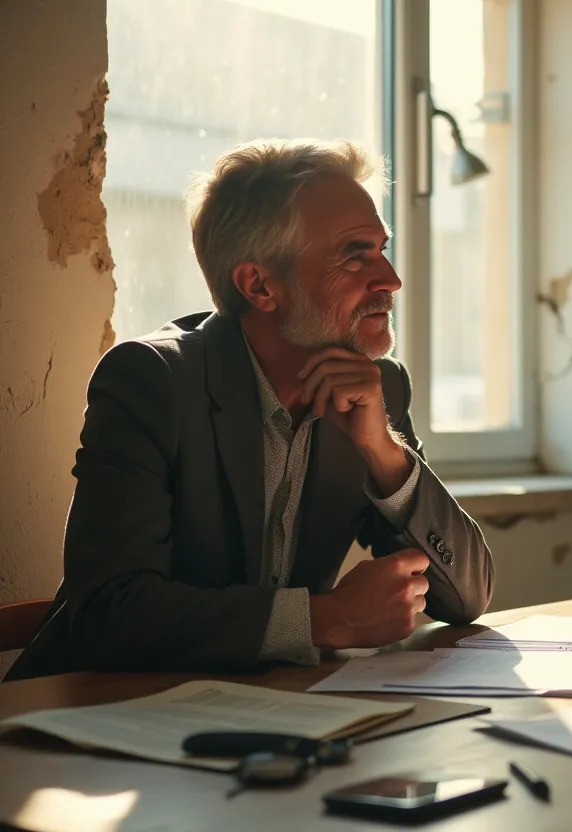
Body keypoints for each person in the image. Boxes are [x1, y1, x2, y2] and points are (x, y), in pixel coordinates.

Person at [8, 139, 494, 680]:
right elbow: (109, 612)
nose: (390, 280)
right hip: (92, 721)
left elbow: (467, 598)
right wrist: (323, 620)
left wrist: (383, 451)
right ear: (259, 285)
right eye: (356, 255)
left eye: (382, 249)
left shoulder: (378, 389)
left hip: (263, 715)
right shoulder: (152, 381)